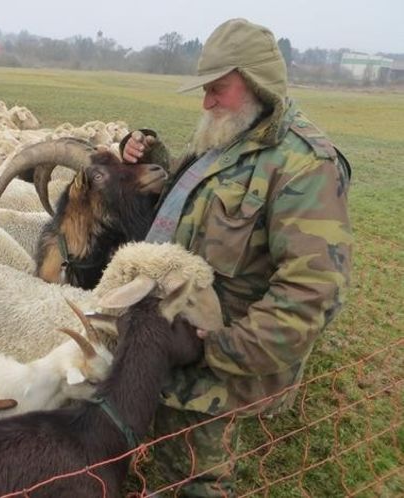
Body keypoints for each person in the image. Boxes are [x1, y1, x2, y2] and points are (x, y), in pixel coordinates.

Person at [120, 18, 353, 496]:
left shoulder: (305, 166)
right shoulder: (232, 134)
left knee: (198, 484)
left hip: (215, 377)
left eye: (217, 89)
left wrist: (220, 347)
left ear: (257, 85)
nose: (206, 102)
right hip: (172, 346)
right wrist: (145, 154)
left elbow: (313, 293)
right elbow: (190, 196)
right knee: (156, 466)